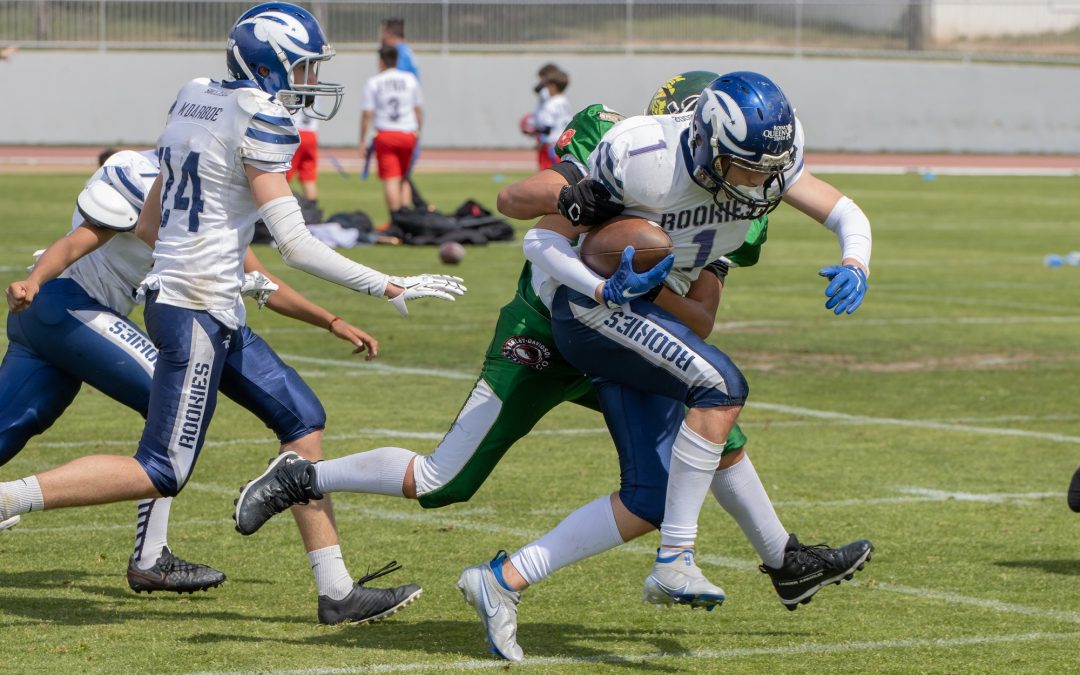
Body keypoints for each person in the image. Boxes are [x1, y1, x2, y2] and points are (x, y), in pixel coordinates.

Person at [0, 1, 464, 623]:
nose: (306, 80)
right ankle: (11, 498)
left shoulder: (195, 97)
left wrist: (217, 254)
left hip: (206, 302)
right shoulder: (263, 120)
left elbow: (152, 220)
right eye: (300, 66)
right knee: (162, 468)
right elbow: (295, 246)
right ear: (270, 64)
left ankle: (335, 590)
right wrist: (388, 284)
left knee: (303, 418)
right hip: (192, 308)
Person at [450, 71, 876, 661]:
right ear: (702, 143)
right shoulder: (641, 157)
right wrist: (606, 290)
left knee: (652, 491)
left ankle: (503, 581)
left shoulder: (767, 163)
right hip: (589, 310)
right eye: (744, 166)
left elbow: (843, 212)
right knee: (720, 387)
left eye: (765, 168)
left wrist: (856, 260)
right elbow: (536, 238)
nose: (759, 183)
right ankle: (680, 559)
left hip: (639, 320)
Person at [0, 148, 383, 600]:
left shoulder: (210, 198)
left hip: (59, 320)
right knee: (168, 401)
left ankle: (148, 558)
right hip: (62, 305)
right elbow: (77, 241)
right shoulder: (145, 175)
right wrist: (35, 280)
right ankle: (149, 558)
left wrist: (332, 321)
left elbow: (261, 281)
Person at [360, 44, 423, 218]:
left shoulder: (375, 82)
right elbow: (418, 110)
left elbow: (367, 113)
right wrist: (418, 131)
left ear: (381, 61)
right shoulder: (410, 79)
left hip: (386, 134)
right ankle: (407, 218)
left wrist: (362, 140)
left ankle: (396, 220)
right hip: (408, 133)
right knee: (404, 177)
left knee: (391, 179)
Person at [532, 68, 572, 171]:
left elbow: (547, 127)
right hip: (563, 140)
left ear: (553, 86)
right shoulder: (565, 101)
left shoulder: (551, 104)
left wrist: (540, 141)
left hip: (551, 144)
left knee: (547, 171)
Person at [287, 108, 319, 202]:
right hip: (311, 133)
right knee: (308, 178)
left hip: (294, 131)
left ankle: (289, 206)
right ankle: (312, 211)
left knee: (281, 177)